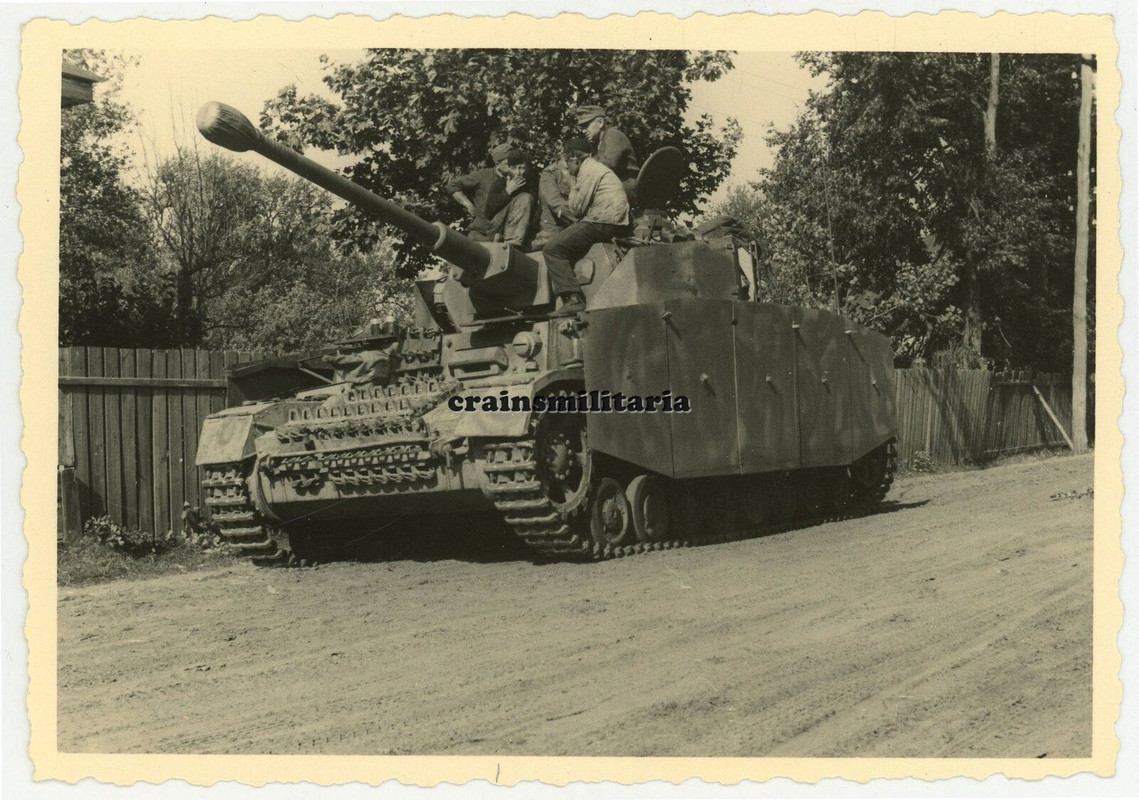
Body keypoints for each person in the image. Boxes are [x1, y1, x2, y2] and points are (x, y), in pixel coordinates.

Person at [542, 140, 632, 316]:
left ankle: (573, 300)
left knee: (552, 249)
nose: (567, 167)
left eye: (568, 162)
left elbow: (576, 210)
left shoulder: (588, 171)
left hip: (603, 221)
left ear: (575, 159)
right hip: (613, 221)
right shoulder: (596, 168)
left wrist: (570, 182)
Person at [445, 144, 535, 247]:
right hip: (482, 232)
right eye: (507, 162)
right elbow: (453, 185)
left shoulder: (520, 179)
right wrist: (468, 205)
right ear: (497, 163)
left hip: (505, 235)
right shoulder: (482, 175)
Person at [533, 136, 591, 249]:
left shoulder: (582, 172)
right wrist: (587, 221)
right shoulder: (550, 174)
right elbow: (556, 204)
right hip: (555, 228)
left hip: (578, 225)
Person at [575, 105, 639, 207]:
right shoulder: (597, 143)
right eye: (582, 127)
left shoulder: (612, 135)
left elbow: (605, 168)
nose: (583, 130)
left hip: (626, 186)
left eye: (586, 125)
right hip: (613, 187)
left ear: (600, 122)